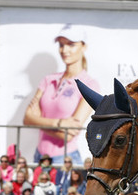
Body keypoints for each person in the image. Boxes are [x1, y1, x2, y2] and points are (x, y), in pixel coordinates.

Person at [23, 24, 98, 164]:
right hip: (39, 157)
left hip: (65, 159)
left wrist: (37, 120)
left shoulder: (89, 84)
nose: (65, 50)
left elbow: (69, 134)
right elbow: (27, 119)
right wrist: (59, 123)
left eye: (71, 44)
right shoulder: (48, 79)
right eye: (61, 45)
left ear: (84, 46)